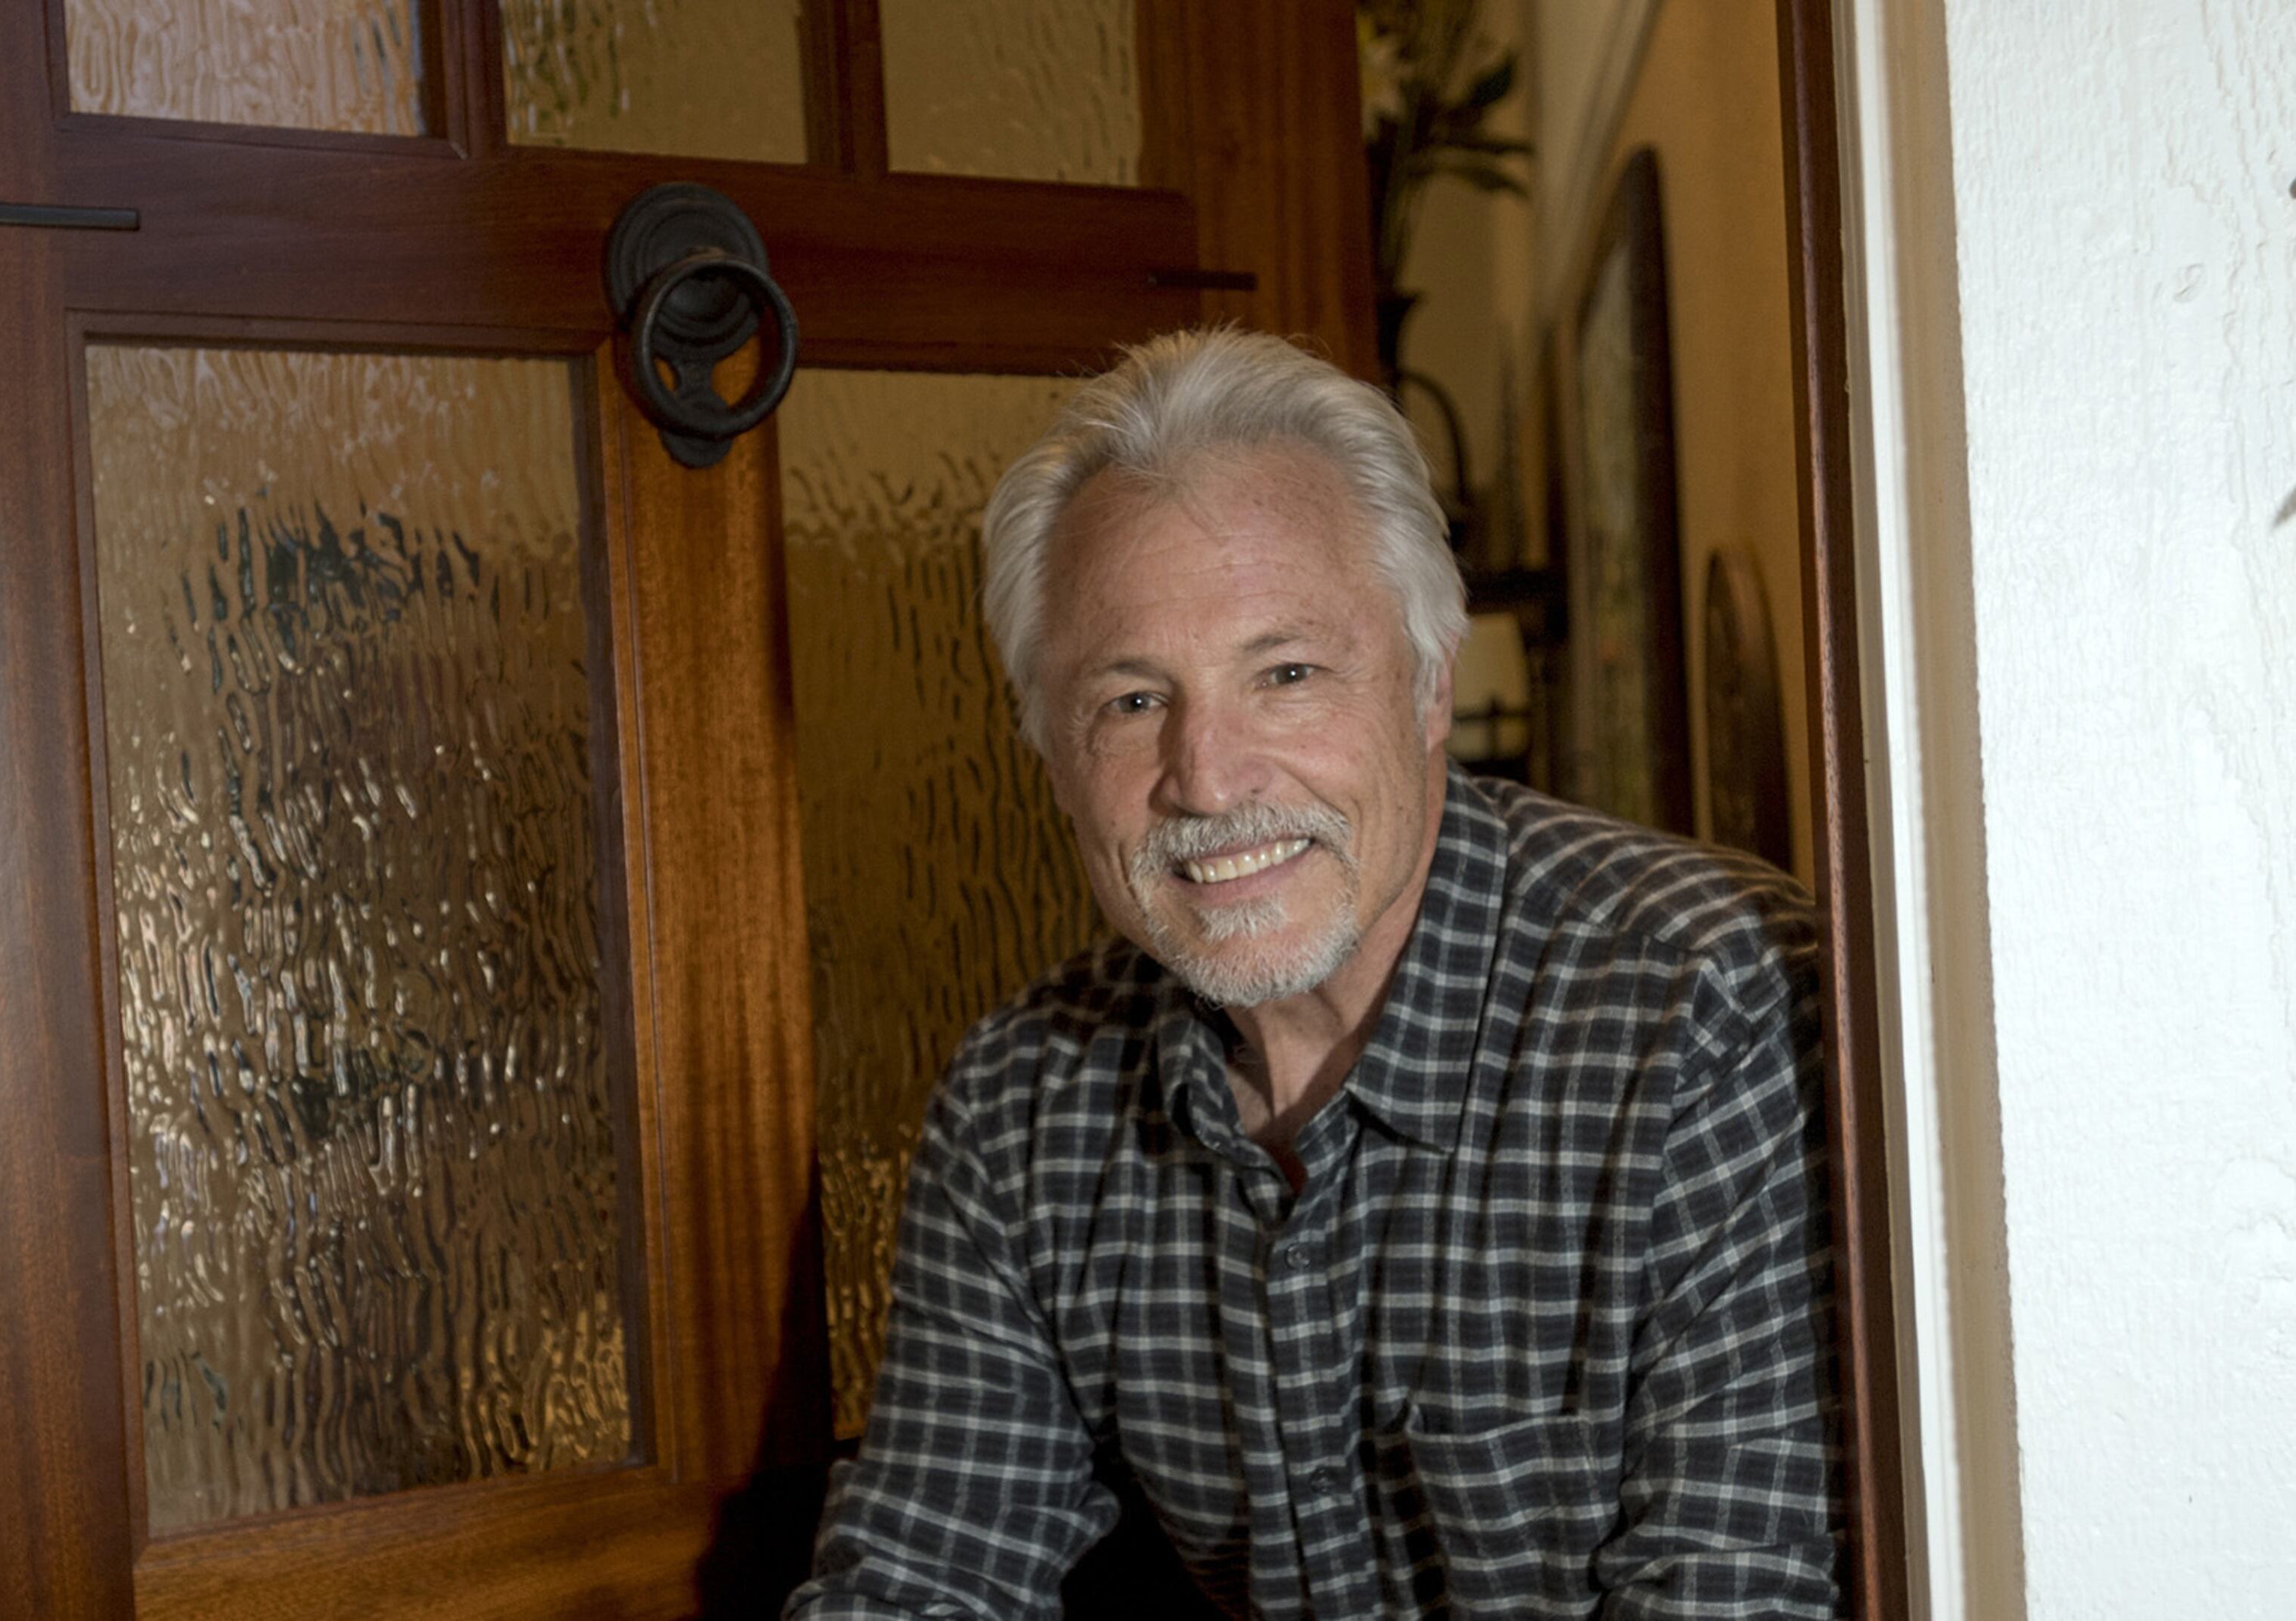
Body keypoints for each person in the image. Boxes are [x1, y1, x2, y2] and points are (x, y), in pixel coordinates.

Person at [784, 329, 1840, 1619]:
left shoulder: (1708, 1005)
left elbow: (1736, 1596)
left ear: (1430, 683)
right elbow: (919, 1579)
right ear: (1050, 756)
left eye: (1287, 674)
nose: (1210, 777)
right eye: (1129, 702)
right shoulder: (1022, 1107)